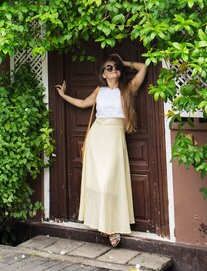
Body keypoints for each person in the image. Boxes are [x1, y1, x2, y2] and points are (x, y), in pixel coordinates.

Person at [55, 53, 147, 248]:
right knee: (99, 182)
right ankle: (104, 225)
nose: (113, 70)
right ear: (103, 75)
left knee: (110, 182)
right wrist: (63, 95)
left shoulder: (127, 89)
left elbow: (144, 67)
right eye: (109, 68)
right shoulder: (100, 91)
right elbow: (82, 103)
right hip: (97, 138)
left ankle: (113, 226)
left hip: (115, 137)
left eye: (116, 68)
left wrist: (125, 62)